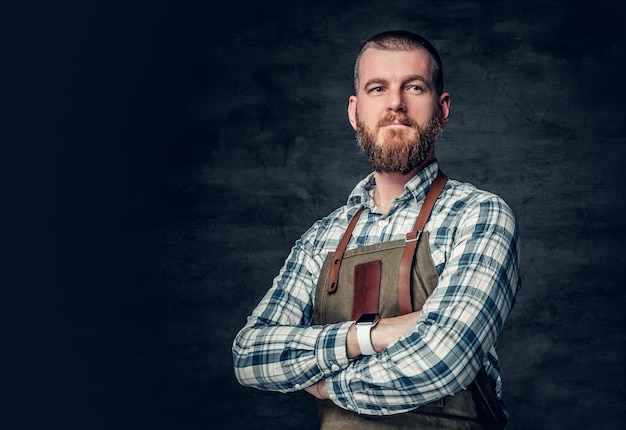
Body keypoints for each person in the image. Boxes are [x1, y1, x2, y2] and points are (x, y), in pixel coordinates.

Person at [232, 30, 520, 429]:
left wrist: (330, 386)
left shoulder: (479, 215)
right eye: (377, 88)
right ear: (354, 111)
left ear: (442, 109)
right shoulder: (321, 238)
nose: (396, 104)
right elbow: (250, 354)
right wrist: (372, 335)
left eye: (414, 87)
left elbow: (445, 359)